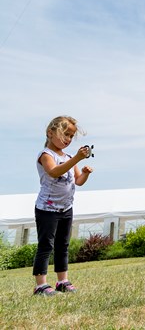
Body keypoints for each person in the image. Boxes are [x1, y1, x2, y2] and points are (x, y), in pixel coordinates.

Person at [32, 116, 94, 296]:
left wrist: (84, 173)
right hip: (47, 209)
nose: (67, 139)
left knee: (62, 245)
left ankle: (62, 281)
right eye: (65, 134)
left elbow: (78, 181)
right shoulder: (46, 155)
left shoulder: (67, 157)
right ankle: (40, 285)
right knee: (46, 245)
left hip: (66, 208)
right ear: (50, 133)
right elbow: (53, 172)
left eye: (71, 136)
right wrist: (76, 159)